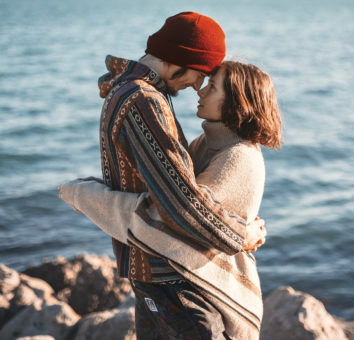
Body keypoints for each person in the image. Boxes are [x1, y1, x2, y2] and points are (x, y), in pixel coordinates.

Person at [60, 12, 270, 339]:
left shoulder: (128, 93)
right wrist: (242, 235)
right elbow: (182, 205)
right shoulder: (143, 101)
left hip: (151, 269)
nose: (197, 86)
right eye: (200, 75)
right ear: (178, 62)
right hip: (169, 276)